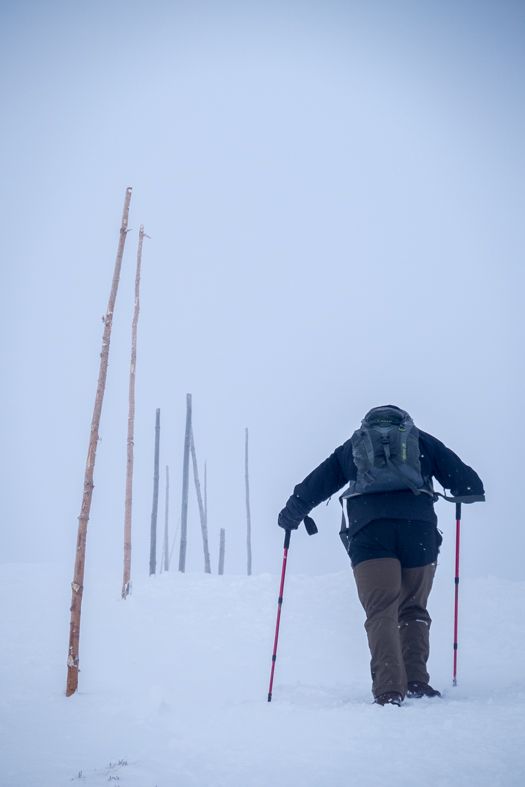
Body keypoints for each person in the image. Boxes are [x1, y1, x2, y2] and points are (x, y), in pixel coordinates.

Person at [278, 405, 484, 706]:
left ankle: (389, 690)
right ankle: (416, 681)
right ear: (405, 424)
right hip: (419, 532)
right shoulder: (423, 442)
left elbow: (314, 485)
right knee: (413, 608)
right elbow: (469, 484)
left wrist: (290, 516)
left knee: (381, 610)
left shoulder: (352, 448)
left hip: (370, 532)